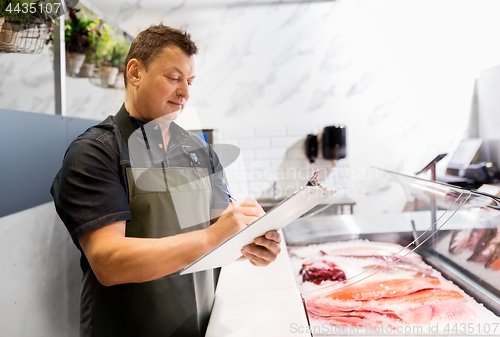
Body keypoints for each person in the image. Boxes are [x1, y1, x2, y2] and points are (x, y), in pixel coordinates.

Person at [51, 24, 281, 337]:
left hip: (201, 324)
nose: (185, 92)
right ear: (135, 73)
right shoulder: (95, 152)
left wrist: (250, 243)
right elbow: (109, 261)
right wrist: (215, 235)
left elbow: (219, 229)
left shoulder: (197, 150)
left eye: (189, 81)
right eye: (173, 78)